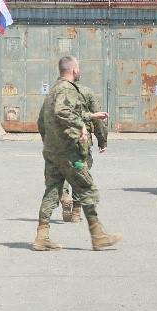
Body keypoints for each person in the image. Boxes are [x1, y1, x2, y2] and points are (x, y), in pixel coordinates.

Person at [33, 55, 121, 251]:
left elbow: (41, 121)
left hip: (53, 151)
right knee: (86, 187)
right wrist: (83, 123)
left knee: (52, 191)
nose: (79, 71)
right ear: (73, 70)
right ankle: (98, 236)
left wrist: (49, 143)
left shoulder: (53, 91)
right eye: (78, 67)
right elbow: (62, 112)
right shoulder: (67, 89)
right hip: (69, 152)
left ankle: (42, 236)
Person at [61, 84, 107, 223]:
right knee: (80, 170)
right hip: (83, 138)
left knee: (63, 168)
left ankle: (64, 195)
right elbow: (97, 119)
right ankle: (76, 212)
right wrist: (102, 140)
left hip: (64, 136)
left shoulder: (59, 91)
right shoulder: (87, 92)